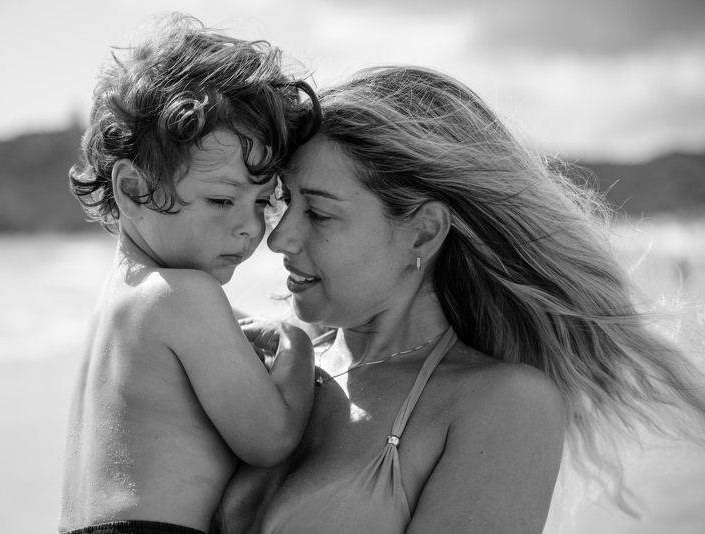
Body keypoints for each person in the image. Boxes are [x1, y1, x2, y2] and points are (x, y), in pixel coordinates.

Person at [214, 66, 705, 534]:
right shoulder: (263, 358)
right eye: (282, 203)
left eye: (318, 213)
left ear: (423, 233)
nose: (278, 239)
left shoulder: (506, 404)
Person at [59, 14, 318, 534]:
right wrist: (297, 346)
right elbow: (271, 438)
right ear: (133, 191)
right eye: (222, 199)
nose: (250, 229)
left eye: (263, 203)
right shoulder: (186, 296)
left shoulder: (123, 302)